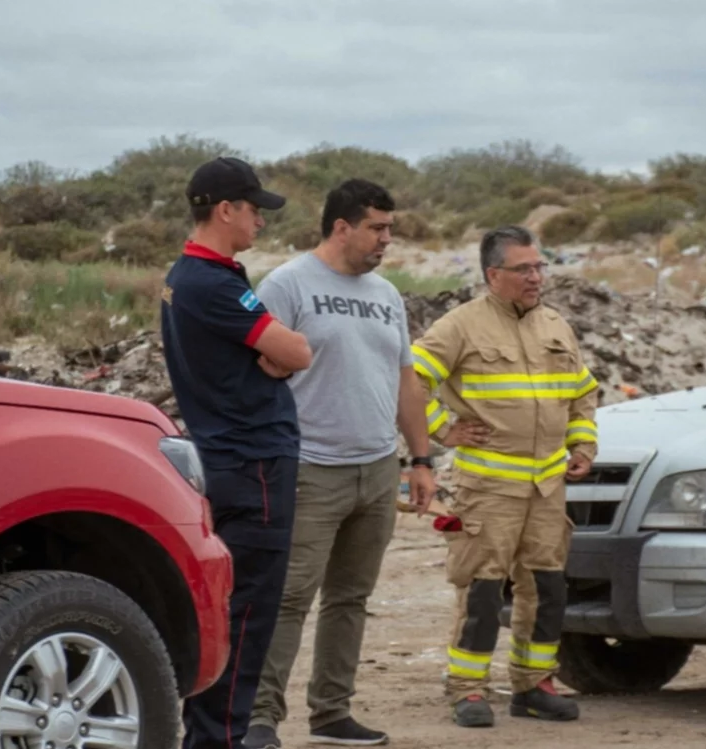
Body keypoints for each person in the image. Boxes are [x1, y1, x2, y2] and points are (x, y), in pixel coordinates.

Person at [242, 179, 438, 748]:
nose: (386, 240)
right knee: (288, 597)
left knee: (350, 598)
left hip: (377, 469)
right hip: (309, 466)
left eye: (390, 229)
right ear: (341, 227)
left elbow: (405, 380)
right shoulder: (288, 283)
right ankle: (258, 718)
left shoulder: (386, 294)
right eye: (377, 228)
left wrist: (420, 459)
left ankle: (331, 714)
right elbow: (258, 369)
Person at [411, 225, 599, 728]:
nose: (536, 276)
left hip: (547, 489)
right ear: (494, 274)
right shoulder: (461, 326)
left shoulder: (556, 325)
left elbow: (581, 394)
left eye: (540, 266)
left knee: (547, 589)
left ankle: (534, 685)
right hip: (488, 489)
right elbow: (406, 383)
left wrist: (583, 444)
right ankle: (468, 690)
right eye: (524, 269)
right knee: (482, 590)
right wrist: (443, 431)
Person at [160, 156, 314, 749]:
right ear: (225, 210)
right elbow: (296, 352)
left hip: (227, 459)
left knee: (228, 609)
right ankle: (218, 739)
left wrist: (273, 352)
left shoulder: (191, 276)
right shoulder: (212, 283)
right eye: (254, 210)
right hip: (253, 467)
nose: (261, 222)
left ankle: (210, 735)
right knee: (246, 617)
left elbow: (275, 351)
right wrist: (279, 352)